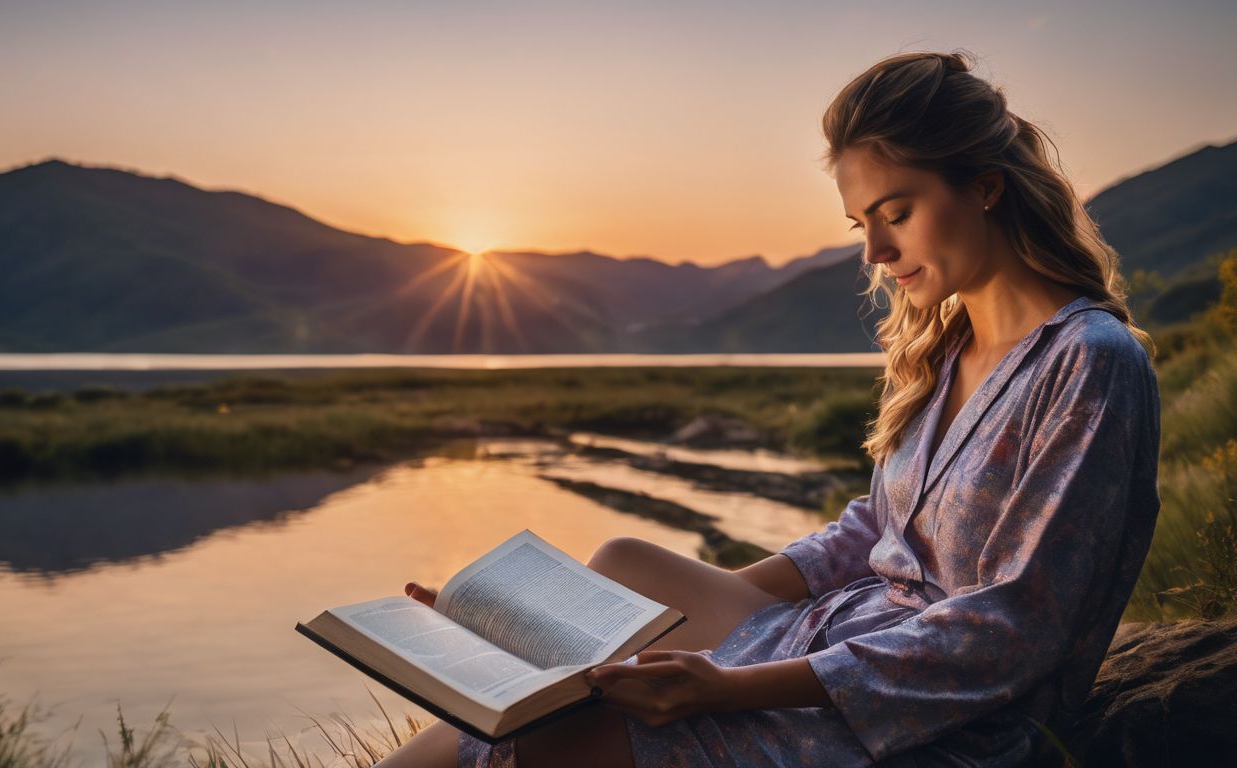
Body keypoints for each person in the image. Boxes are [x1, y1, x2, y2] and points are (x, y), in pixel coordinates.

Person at [378, 49, 1162, 767]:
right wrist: (655, 623)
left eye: (896, 212)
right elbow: (876, 529)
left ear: (985, 186)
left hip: (934, 711)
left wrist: (727, 686)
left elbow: (1012, 629)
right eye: (861, 224)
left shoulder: (1090, 362)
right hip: (847, 630)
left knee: (551, 735)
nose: (875, 254)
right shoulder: (950, 345)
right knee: (622, 566)